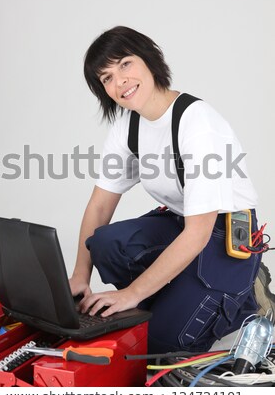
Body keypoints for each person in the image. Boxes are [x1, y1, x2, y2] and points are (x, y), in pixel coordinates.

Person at [69, 26, 270, 354]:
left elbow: (198, 234)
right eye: (106, 78)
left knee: (159, 345)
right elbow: (99, 207)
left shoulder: (197, 124)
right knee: (104, 243)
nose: (119, 81)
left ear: (148, 59)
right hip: (180, 224)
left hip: (222, 236)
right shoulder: (128, 125)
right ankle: (178, 294)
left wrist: (131, 294)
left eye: (125, 64)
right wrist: (80, 275)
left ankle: (246, 300)